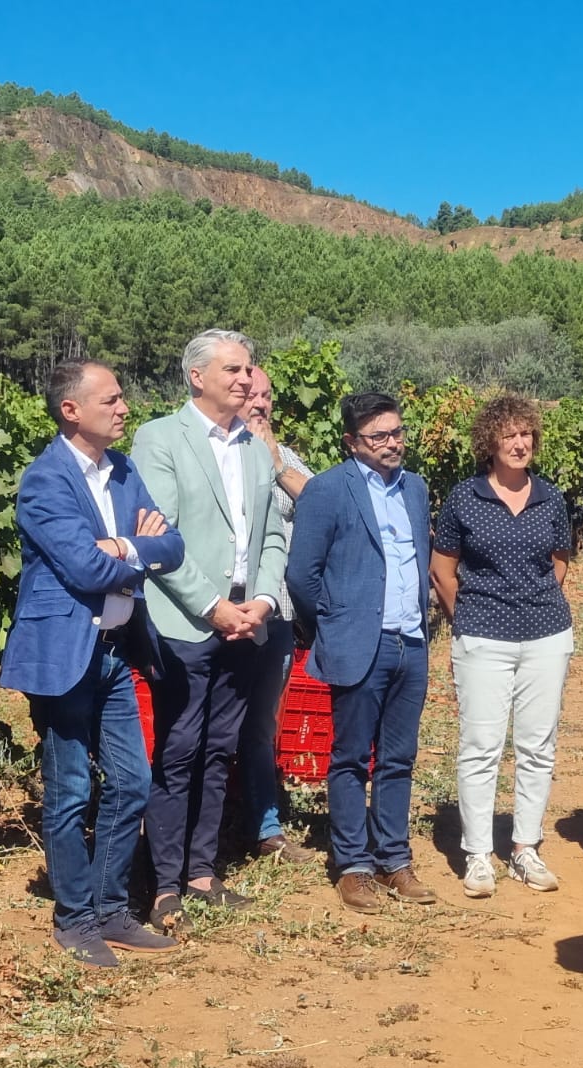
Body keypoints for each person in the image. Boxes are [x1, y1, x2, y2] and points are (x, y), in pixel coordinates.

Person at [1, 359, 185, 967]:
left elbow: (174, 546)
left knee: (132, 781)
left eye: (122, 397)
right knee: (71, 788)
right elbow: (84, 568)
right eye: (111, 399)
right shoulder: (45, 481)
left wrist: (127, 546)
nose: (125, 407)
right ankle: (73, 918)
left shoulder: (124, 471)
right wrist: (139, 550)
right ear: (70, 410)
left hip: (113, 651)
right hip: (63, 656)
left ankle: (110, 909)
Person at [131, 329, 287, 935]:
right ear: (197, 376)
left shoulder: (253, 445)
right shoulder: (160, 439)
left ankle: (202, 874)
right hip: (187, 622)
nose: (247, 379)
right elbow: (160, 539)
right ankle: (164, 883)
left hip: (248, 623)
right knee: (179, 749)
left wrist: (265, 601)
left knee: (220, 748)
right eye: (234, 369)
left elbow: (273, 535)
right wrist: (213, 606)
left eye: (249, 370)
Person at [288, 392, 436, 912]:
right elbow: (301, 576)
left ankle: (395, 860)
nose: (392, 444)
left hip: (410, 642)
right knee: (350, 757)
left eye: (396, 433)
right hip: (359, 644)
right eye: (379, 437)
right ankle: (352, 864)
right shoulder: (328, 491)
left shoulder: (415, 488)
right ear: (352, 442)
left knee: (398, 758)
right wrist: (334, 622)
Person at [431, 395, 574, 899]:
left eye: (526, 435)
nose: (519, 443)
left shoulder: (550, 498)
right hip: (483, 636)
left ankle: (525, 848)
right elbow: (443, 569)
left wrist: (532, 602)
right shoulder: (464, 499)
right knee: (481, 747)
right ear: (489, 443)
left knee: (538, 746)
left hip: (546, 635)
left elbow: (559, 561)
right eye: (509, 435)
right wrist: (469, 617)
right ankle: (476, 853)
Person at [236, 366, 317, 863]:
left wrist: (275, 464)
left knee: (264, 724)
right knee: (206, 724)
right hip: (217, 615)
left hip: (277, 616)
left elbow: (323, 504)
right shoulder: (209, 455)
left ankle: (264, 826)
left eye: (267, 395)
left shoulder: (285, 457)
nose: (260, 403)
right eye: (251, 394)